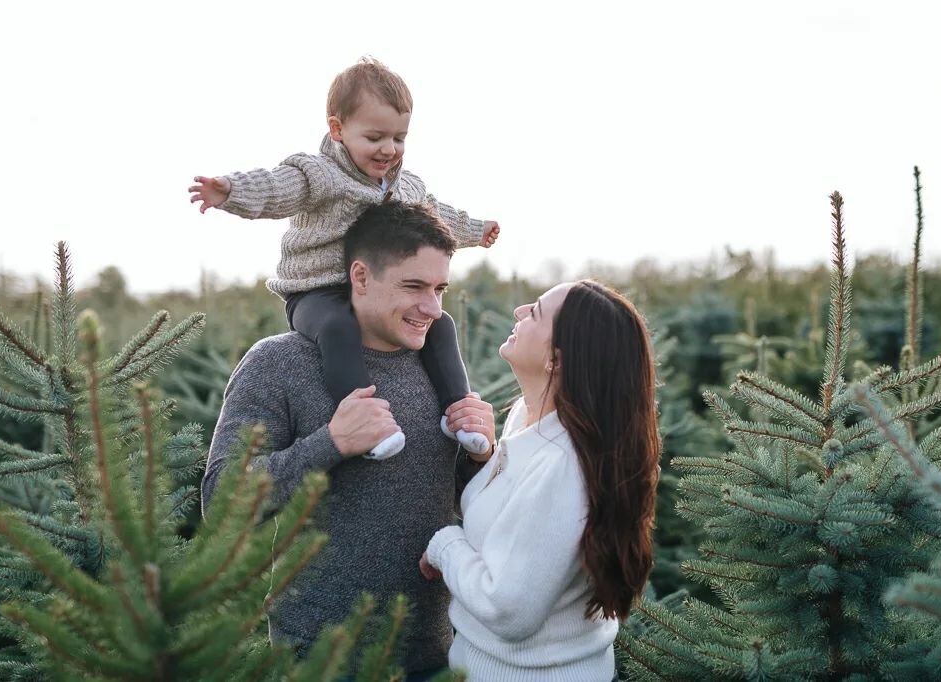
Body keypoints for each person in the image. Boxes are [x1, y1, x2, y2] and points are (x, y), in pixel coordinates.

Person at [201, 201, 496, 679]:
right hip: (318, 659)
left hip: (435, 655)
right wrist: (332, 442)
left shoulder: (438, 367)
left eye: (440, 288)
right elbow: (221, 502)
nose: (433, 308)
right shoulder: (278, 364)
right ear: (360, 277)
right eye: (414, 286)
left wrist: (483, 456)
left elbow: (469, 505)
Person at [188, 56, 500, 461]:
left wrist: (476, 230)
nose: (389, 149)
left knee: (442, 323)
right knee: (337, 328)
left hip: (371, 294)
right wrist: (230, 191)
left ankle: (460, 415)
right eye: (375, 138)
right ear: (337, 129)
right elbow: (276, 188)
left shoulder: (406, 187)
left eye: (399, 138)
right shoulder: (319, 175)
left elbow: (438, 219)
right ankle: (365, 422)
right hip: (316, 294)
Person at [421, 280, 662, 681]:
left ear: (557, 359)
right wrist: (484, 456)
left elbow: (509, 610)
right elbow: (514, 519)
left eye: (534, 313)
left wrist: (445, 545)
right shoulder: (527, 419)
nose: (518, 312)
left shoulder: (563, 464)